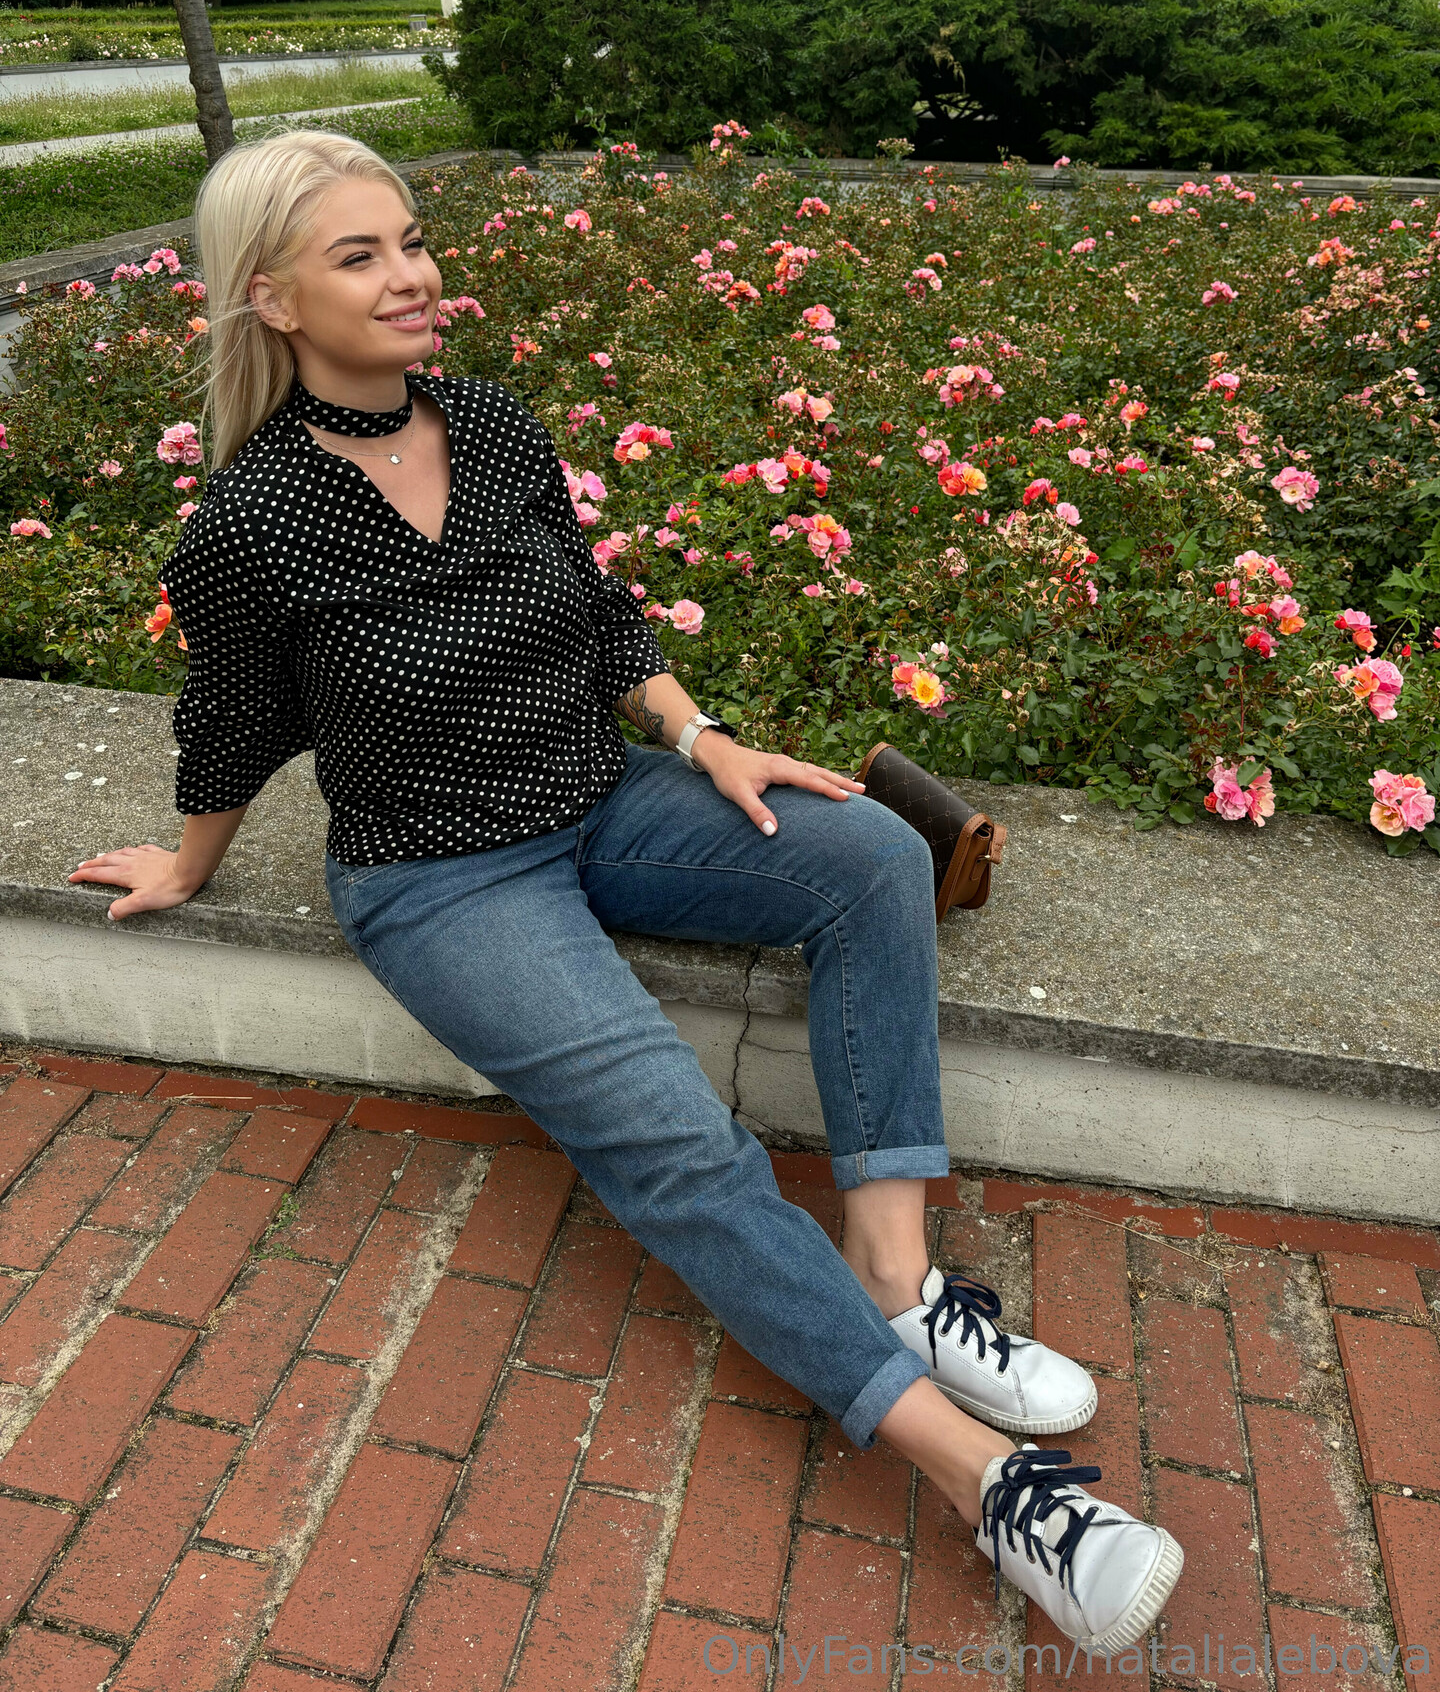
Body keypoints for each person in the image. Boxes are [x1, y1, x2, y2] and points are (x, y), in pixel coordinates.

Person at [70, 131, 1183, 1655]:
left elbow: (598, 612)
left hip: (597, 799)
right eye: (360, 256)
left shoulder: (490, 424)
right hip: (442, 873)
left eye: (412, 240)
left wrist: (702, 736)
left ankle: (898, 1277)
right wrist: (189, 859)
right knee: (674, 1136)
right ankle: (992, 1486)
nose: (412, 275)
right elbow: (233, 719)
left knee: (869, 853)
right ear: (269, 298)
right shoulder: (250, 526)